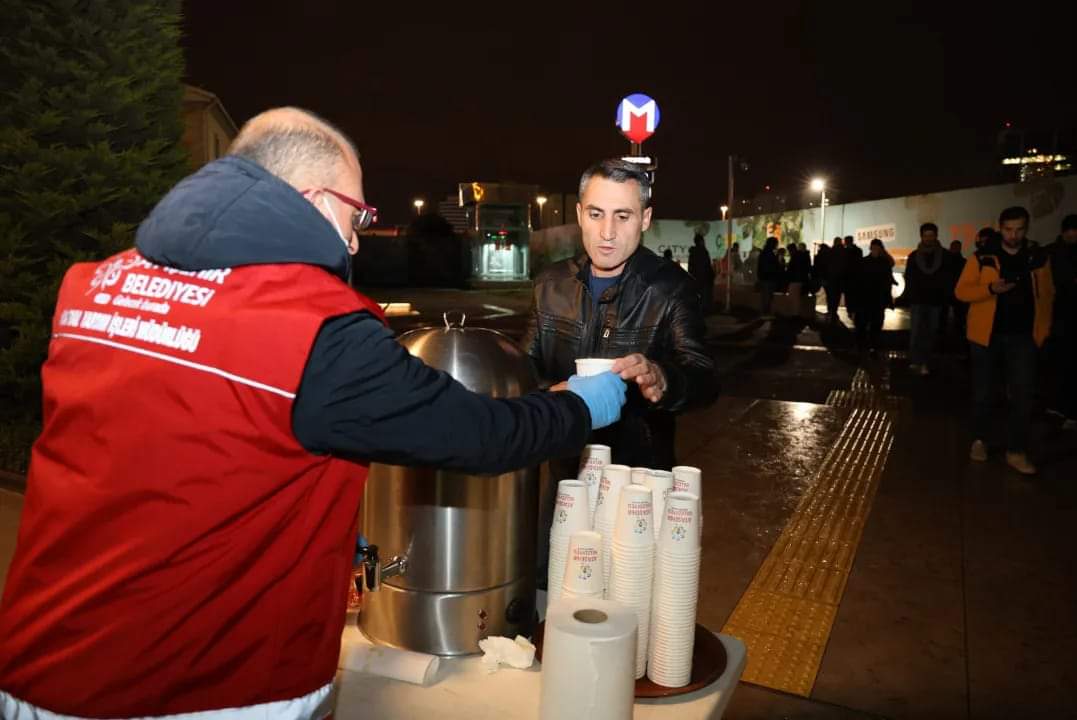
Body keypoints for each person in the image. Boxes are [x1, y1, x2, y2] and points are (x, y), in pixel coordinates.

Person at [0, 109, 629, 719]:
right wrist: (578, 405)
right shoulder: (316, 326)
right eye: (356, 214)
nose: (357, 238)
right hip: (195, 683)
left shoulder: (94, 286)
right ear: (313, 196)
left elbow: (180, 447)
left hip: (37, 656)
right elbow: (483, 438)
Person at [521, 159, 717, 472]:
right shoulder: (549, 284)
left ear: (645, 219)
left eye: (622, 216)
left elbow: (704, 378)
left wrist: (662, 377)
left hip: (639, 478)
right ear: (580, 215)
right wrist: (553, 394)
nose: (607, 232)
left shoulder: (671, 288)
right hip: (561, 472)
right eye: (596, 214)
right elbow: (523, 373)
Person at [956, 206, 1054, 475]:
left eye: (1019, 229)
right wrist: (990, 289)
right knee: (984, 391)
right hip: (985, 336)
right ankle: (980, 440)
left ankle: (1016, 450)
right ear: (1000, 228)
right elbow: (962, 291)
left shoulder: (1037, 257)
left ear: (1027, 228)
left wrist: (1043, 330)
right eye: (1009, 229)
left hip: (1024, 337)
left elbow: (1047, 295)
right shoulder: (983, 257)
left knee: (1022, 394)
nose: (1014, 235)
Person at [1047, 214, 1077, 428]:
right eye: (1070, 229)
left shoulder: (1055, 251)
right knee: (1062, 362)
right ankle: (1062, 407)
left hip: (1068, 314)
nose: (1073, 234)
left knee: (1071, 363)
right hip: (1059, 314)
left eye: (1076, 229)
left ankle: (1068, 410)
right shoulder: (1053, 251)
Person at [904, 222, 950, 375]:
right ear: (921, 237)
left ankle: (926, 362)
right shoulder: (913, 256)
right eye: (926, 236)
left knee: (931, 332)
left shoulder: (945, 256)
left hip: (935, 301)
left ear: (936, 236)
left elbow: (948, 279)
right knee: (916, 332)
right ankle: (916, 360)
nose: (928, 239)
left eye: (931, 235)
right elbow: (909, 278)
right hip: (918, 301)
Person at [852, 238, 896, 353]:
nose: (875, 250)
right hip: (868, 298)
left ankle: (869, 345)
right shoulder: (869, 262)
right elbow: (857, 281)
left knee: (873, 324)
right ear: (871, 248)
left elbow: (887, 281)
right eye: (874, 248)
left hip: (875, 298)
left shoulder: (871, 262)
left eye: (877, 248)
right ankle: (866, 345)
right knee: (865, 324)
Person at [945, 239, 968, 346]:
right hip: (959, 292)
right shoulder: (964, 262)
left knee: (944, 318)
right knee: (959, 319)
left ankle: (945, 340)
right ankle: (958, 341)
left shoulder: (945, 261)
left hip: (948, 291)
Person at [688, 232, 714, 313]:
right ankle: (704, 311)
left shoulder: (692, 253)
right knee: (705, 296)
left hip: (696, 277)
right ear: (701, 241)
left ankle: (699, 311)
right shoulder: (703, 252)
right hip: (704, 278)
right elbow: (707, 265)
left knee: (698, 296)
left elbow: (690, 267)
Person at [757, 236, 783, 316]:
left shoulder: (764, 253)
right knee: (767, 296)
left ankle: (765, 313)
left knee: (765, 296)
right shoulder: (769, 254)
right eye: (776, 243)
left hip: (764, 277)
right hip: (769, 278)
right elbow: (772, 266)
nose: (777, 245)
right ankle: (765, 313)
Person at [841, 235, 863, 313]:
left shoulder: (845, 251)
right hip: (852, 277)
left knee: (850, 296)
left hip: (850, 277)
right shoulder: (858, 250)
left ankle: (851, 311)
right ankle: (851, 311)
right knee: (851, 296)